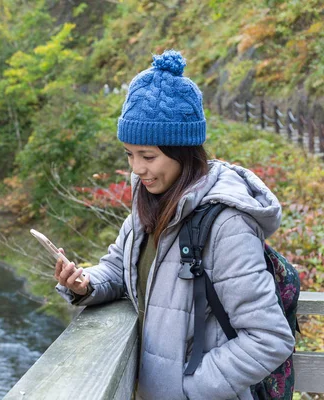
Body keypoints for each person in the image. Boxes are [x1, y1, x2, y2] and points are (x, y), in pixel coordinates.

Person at [54, 50, 295, 400]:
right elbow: (120, 267)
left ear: (183, 151)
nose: (136, 168)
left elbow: (268, 339)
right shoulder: (150, 201)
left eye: (148, 156)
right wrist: (85, 283)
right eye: (129, 154)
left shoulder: (226, 224)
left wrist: (186, 390)